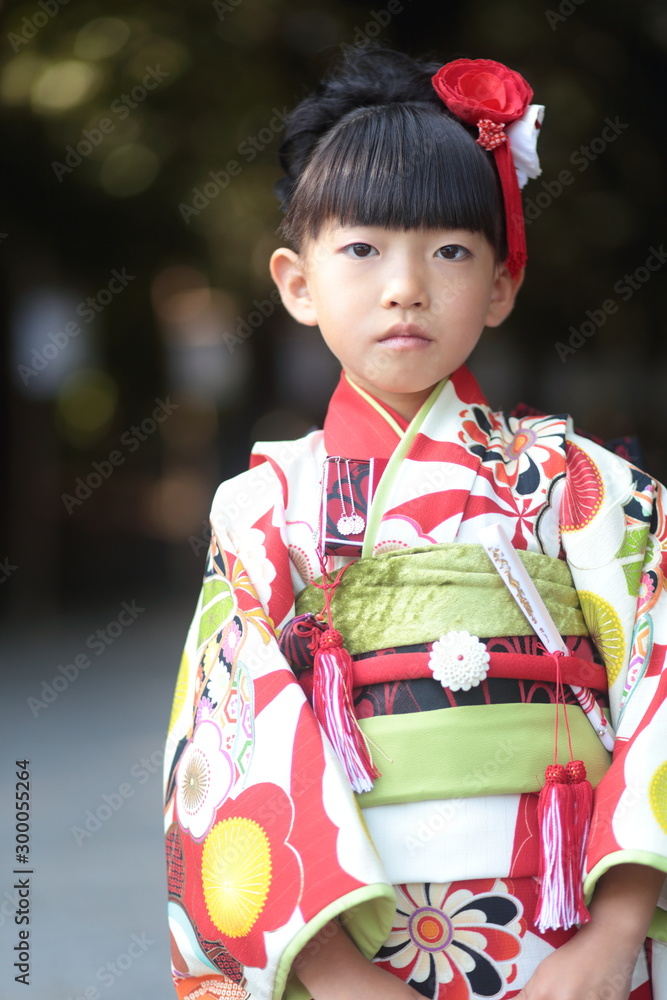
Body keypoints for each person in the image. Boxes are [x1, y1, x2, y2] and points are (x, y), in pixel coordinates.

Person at [163, 44, 667, 1000]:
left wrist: (614, 933)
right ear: (296, 283)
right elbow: (227, 746)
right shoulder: (264, 506)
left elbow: (660, 682)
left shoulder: (578, 485)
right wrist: (335, 974)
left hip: (559, 927)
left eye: (450, 252)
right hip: (352, 938)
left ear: (502, 284)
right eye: (362, 250)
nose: (406, 286)